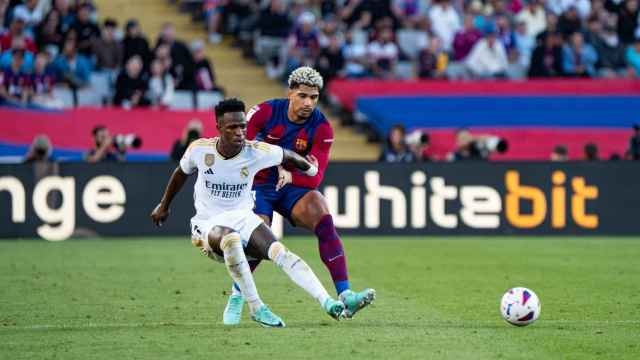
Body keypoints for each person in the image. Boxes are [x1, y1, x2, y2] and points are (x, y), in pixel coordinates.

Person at [150, 98, 346, 327]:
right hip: (206, 224)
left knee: (280, 252)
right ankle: (257, 307)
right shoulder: (200, 150)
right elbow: (181, 173)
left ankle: (328, 302)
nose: (240, 132)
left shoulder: (256, 152)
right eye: (232, 127)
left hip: (243, 219)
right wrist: (164, 205)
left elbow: (287, 155)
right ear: (219, 128)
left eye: (243, 126)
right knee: (230, 238)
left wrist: (312, 168)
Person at [223, 67, 375, 325]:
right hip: (259, 183)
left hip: (292, 185)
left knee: (322, 214)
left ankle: (346, 293)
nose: (308, 103)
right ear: (290, 92)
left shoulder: (322, 127)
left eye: (314, 97)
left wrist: (292, 175)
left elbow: (316, 177)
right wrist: (274, 159)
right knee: (260, 234)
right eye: (303, 96)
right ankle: (237, 296)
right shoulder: (265, 112)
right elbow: (238, 148)